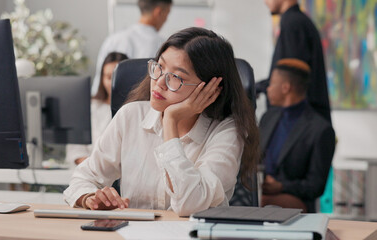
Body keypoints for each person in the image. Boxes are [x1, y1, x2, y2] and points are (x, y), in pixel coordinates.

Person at [63, 27, 260, 217]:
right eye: (160, 66)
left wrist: (171, 121)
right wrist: (90, 197)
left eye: (176, 77)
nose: (159, 82)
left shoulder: (226, 132)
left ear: (211, 89)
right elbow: (83, 178)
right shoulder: (130, 115)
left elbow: (190, 204)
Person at [259, 58, 335, 213]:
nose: (267, 89)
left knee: (255, 202)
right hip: (260, 192)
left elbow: (315, 186)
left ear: (286, 87)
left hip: (296, 201)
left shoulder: (320, 130)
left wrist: (281, 186)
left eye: (272, 84)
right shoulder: (268, 117)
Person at [256, 0, 331, 123]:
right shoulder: (297, 22)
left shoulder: (293, 24)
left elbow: (291, 76)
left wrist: (257, 87)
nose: (265, 2)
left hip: (301, 127)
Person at [90, 0, 172, 96]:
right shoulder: (162, 45)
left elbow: (98, 86)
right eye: (167, 14)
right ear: (158, 12)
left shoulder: (113, 40)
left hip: (107, 106)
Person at [66, 52, 128, 166]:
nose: (113, 83)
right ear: (102, 79)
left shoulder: (135, 110)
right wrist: (94, 168)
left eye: (118, 77)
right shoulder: (91, 107)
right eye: (109, 77)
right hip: (93, 173)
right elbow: (75, 150)